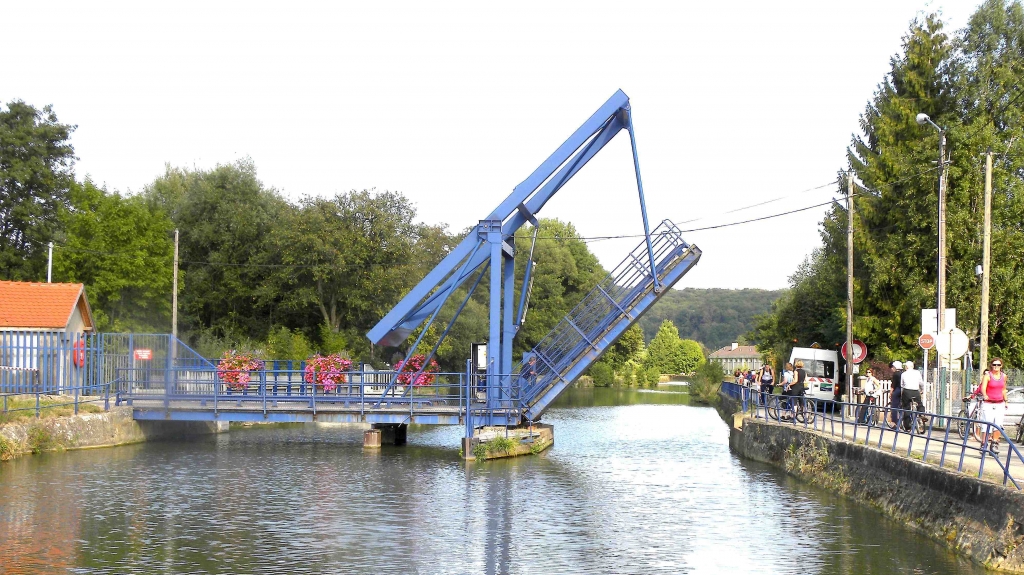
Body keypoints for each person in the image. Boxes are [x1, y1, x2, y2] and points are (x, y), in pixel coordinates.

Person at [979, 358, 1009, 454]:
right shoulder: (987, 376)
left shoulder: (1003, 376)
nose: (996, 367)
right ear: (991, 365)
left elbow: (1003, 389)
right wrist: (985, 395)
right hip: (988, 403)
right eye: (994, 365)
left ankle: (994, 443)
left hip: (999, 403)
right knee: (986, 424)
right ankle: (984, 444)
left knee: (998, 424)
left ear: (1001, 366)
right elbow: (983, 388)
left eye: (998, 365)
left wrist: (1006, 400)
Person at [900, 360, 923, 431]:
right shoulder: (917, 372)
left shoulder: (903, 374)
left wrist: (901, 394)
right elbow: (921, 382)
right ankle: (921, 414)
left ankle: (907, 427)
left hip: (907, 391)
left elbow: (902, 385)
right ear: (912, 366)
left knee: (906, 408)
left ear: (906, 367)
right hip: (916, 391)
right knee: (919, 403)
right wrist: (922, 390)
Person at [889, 360, 904, 427]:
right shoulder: (903, 373)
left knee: (894, 406)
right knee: (903, 406)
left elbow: (893, 384)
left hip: (898, 389)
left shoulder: (896, 374)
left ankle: (894, 422)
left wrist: (891, 392)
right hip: (904, 390)